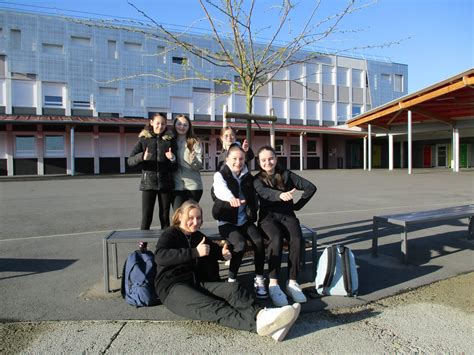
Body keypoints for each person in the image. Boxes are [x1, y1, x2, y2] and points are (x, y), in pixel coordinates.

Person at [154, 200, 300, 342]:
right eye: (190, 218)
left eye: (198, 218)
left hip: (196, 283)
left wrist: (223, 253)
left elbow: (213, 248)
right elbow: (160, 256)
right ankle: (261, 326)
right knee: (214, 307)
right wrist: (195, 252)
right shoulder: (171, 234)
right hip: (173, 288)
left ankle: (262, 315)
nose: (195, 221)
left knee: (233, 289)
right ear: (180, 216)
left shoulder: (197, 236)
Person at [253, 145, 317, 307]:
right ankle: (273, 284)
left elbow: (310, 187)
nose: (268, 162)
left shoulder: (287, 175)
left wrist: (297, 206)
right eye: (264, 160)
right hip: (268, 218)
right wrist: (280, 195)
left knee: (297, 238)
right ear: (259, 162)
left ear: (276, 159)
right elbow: (264, 192)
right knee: (275, 239)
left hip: (288, 215)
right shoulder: (257, 180)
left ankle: (292, 282)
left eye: (271, 158)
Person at [212, 144, 268, 299]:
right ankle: (232, 280)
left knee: (258, 241)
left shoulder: (248, 177)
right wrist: (231, 198)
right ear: (227, 158)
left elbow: (261, 190)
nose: (238, 161)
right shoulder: (221, 175)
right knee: (240, 244)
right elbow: (219, 189)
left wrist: (278, 195)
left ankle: (259, 278)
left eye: (241, 158)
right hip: (227, 222)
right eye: (234, 158)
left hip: (244, 220)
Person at [127, 113, 177, 231]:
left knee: (165, 216)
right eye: (158, 123)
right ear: (151, 123)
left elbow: (176, 166)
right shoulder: (144, 140)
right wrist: (142, 157)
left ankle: (165, 244)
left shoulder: (170, 140)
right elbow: (130, 161)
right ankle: (142, 246)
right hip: (148, 184)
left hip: (165, 184)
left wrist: (172, 158)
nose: (160, 126)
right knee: (147, 216)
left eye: (163, 124)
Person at [172, 114, 203, 209]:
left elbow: (198, 165)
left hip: (193, 186)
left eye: (185, 125)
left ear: (189, 127)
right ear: (174, 125)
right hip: (176, 185)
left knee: (190, 216)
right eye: (179, 124)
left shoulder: (194, 142)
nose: (182, 127)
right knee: (178, 216)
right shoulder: (170, 141)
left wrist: (193, 159)